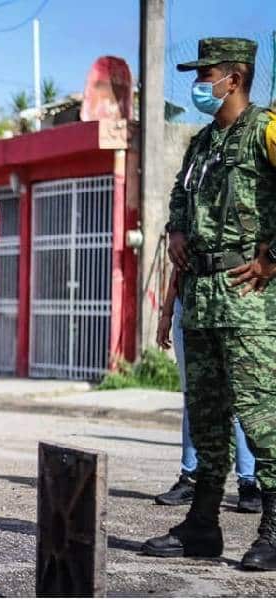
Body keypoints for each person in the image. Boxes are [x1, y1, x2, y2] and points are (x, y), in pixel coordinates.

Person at [141, 38, 276, 571]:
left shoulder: (265, 130)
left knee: (262, 416)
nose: (199, 85)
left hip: (250, 300)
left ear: (234, 79)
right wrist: (175, 227)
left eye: (206, 75)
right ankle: (202, 525)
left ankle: (272, 528)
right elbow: (181, 195)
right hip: (200, 296)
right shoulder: (202, 144)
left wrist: (273, 259)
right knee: (207, 418)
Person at [154, 268, 261, 512]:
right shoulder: (188, 229)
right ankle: (190, 478)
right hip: (190, 306)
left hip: (234, 304)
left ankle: (248, 482)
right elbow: (178, 265)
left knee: (238, 395)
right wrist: (167, 313)